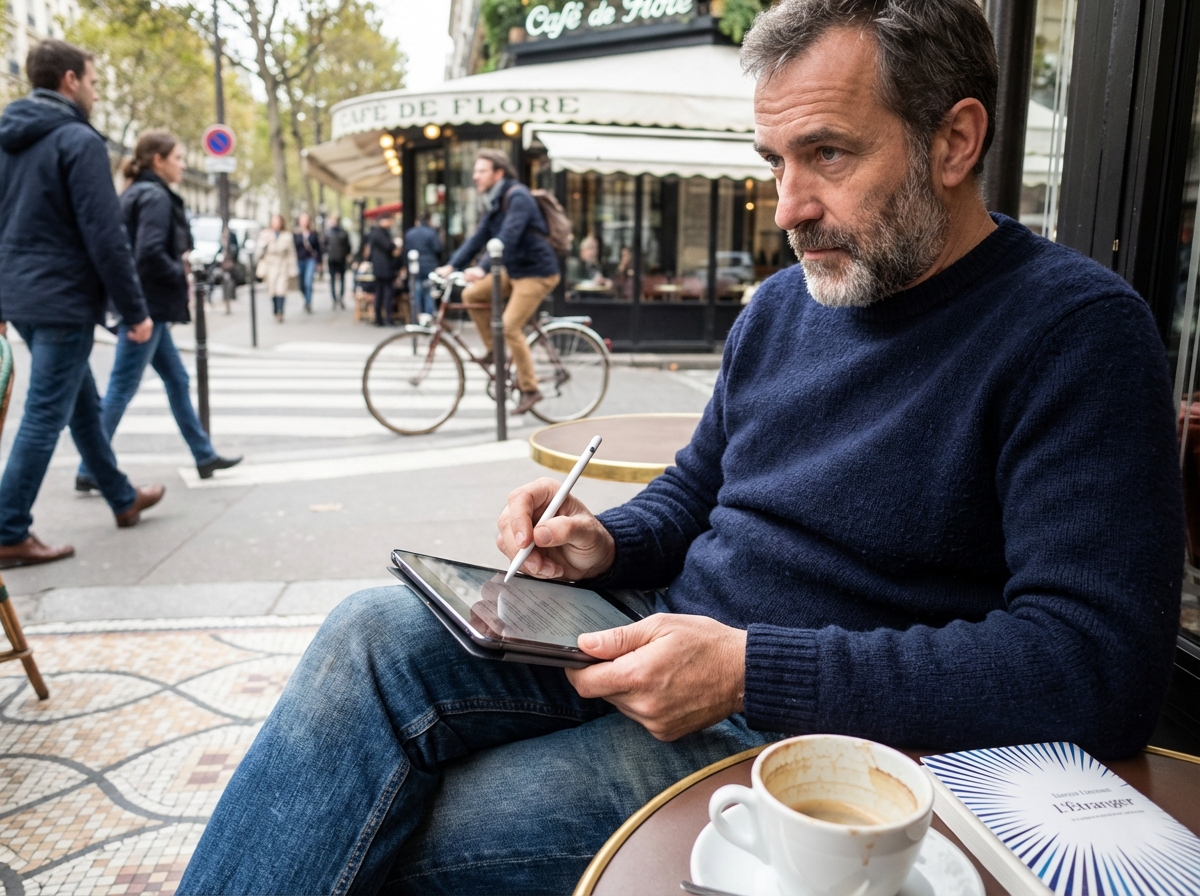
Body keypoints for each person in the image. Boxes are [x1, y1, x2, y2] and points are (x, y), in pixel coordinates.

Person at [177, 1, 1185, 893]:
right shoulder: (784, 305)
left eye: (828, 155)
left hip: (804, 739)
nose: (788, 207)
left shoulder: (1076, 331)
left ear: (955, 139)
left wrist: (751, 671)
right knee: (367, 629)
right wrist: (605, 541)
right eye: (775, 161)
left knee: (401, 822)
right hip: (656, 630)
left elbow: (1098, 666)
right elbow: (698, 492)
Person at [0, 40, 166, 569]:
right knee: (45, 413)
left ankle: (120, 495)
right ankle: (7, 528)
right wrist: (135, 311)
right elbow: (106, 234)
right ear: (70, 80)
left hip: (22, 296)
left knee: (82, 405)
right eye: (92, 81)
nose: (95, 92)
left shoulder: (7, 139)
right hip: (62, 298)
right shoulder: (77, 139)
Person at [74, 131, 242, 490]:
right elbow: (148, 254)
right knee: (122, 387)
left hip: (147, 307)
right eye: (178, 158)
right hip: (146, 309)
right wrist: (181, 274)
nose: (183, 164)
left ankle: (203, 454)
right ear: (158, 161)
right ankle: (90, 467)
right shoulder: (154, 197)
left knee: (176, 380)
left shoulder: (137, 192)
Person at [435, 149, 561, 415]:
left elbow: (509, 236)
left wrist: (481, 268)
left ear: (498, 173)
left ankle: (530, 389)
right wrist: (451, 265)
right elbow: (477, 238)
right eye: (475, 171)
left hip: (537, 272)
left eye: (481, 171)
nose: (475, 176)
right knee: (471, 295)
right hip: (515, 270)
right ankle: (495, 352)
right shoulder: (495, 201)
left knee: (510, 326)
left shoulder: (518, 197)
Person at [403, 211, 443, 325]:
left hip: (414, 268)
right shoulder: (431, 233)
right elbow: (438, 249)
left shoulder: (410, 233)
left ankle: (416, 317)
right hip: (429, 266)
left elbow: (405, 251)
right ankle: (429, 319)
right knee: (429, 293)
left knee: (416, 293)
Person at [256, 214, 297, 323]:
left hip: (282, 265)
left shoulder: (287, 236)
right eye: (274, 222)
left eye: (278, 222)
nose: (276, 224)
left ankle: (280, 311)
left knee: (281, 289)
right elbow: (258, 252)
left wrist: (293, 269)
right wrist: (264, 244)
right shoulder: (265, 234)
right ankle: (275, 309)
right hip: (269, 266)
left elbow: (291, 253)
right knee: (272, 290)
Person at [366, 213, 399, 327]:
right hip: (384, 269)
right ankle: (385, 319)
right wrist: (394, 245)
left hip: (380, 268)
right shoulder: (380, 233)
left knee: (380, 294)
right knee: (386, 294)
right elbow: (389, 246)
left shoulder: (376, 233)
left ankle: (380, 319)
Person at [294, 213, 321, 314]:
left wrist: (319, 262)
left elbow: (318, 248)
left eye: (306, 220)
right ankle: (306, 298)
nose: (304, 222)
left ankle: (308, 302)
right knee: (301, 284)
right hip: (300, 260)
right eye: (302, 220)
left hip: (310, 260)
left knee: (308, 282)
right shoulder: (296, 233)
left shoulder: (313, 233)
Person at [324, 214, 352, 310]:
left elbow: (348, 246)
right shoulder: (329, 233)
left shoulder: (342, 233)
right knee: (333, 280)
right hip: (332, 260)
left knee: (341, 280)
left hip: (341, 259)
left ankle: (340, 298)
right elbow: (324, 245)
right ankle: (335, 299)